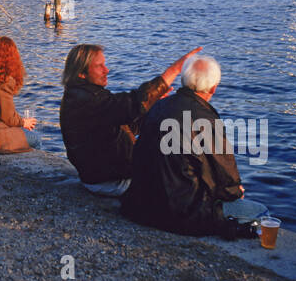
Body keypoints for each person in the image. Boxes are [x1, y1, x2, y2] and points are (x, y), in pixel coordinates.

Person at [120, 54, 251, 238]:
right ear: (214, 87)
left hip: (138, 206)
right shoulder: (204, 119)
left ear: (184, 80)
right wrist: (236, 192)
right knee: (257, 211)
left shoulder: (159, 106)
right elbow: (225, 174)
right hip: (182, 215)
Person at [59, 44, 201, 196]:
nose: (106, 70)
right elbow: (135, 103)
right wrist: (174, 70)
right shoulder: (88, 100)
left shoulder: (82, 96)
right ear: (81, 73)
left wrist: (152, 105)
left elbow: (126, 124)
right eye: (99, 66)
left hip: (100, 177)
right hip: (110, 181)